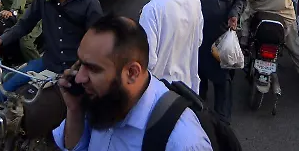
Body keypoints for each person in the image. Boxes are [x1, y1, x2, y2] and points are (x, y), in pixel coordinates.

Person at [54, 15, 212, 151]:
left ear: (131, 73)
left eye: (93, 69)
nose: (79, 78)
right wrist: (75, 111)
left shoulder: (183, 142)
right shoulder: (100, 100)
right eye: (80, 63)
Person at [184, 0, 246, 122]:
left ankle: (222, 121)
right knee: (198, 72)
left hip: (221, 34)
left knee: (222, 78)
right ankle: (197, 114)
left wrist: (234, 15)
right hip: (198, 31)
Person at [140, 0, 204, 92]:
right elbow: (198, 40)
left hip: (160, 92)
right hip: (187, 88)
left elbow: (148, 60)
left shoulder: (152, 9)